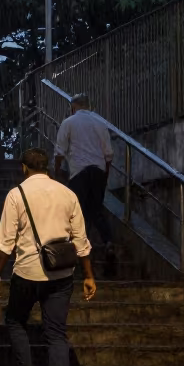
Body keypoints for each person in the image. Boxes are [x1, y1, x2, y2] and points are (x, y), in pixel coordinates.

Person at [0, 148, 96, 366]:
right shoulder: (67, 194)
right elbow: (81, 241)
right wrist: (88, 275)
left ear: (24, 168)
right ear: (47, 167)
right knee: (57, 333)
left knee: (14, 319)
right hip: (61, 274)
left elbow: (5, 243)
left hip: (27, 273)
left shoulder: (16, 195)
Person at [53, 94, 115, 259]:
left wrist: (56, 172)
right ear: (88, 106)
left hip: (79, 173)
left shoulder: (69, 123)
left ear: (73, 107)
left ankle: (79, 249)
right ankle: (108, 241)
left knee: (77, 211)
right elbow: (108, 154)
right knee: (96, 210)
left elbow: (59, 151)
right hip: (98, 171)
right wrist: (105, 175)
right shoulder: (100, 123)